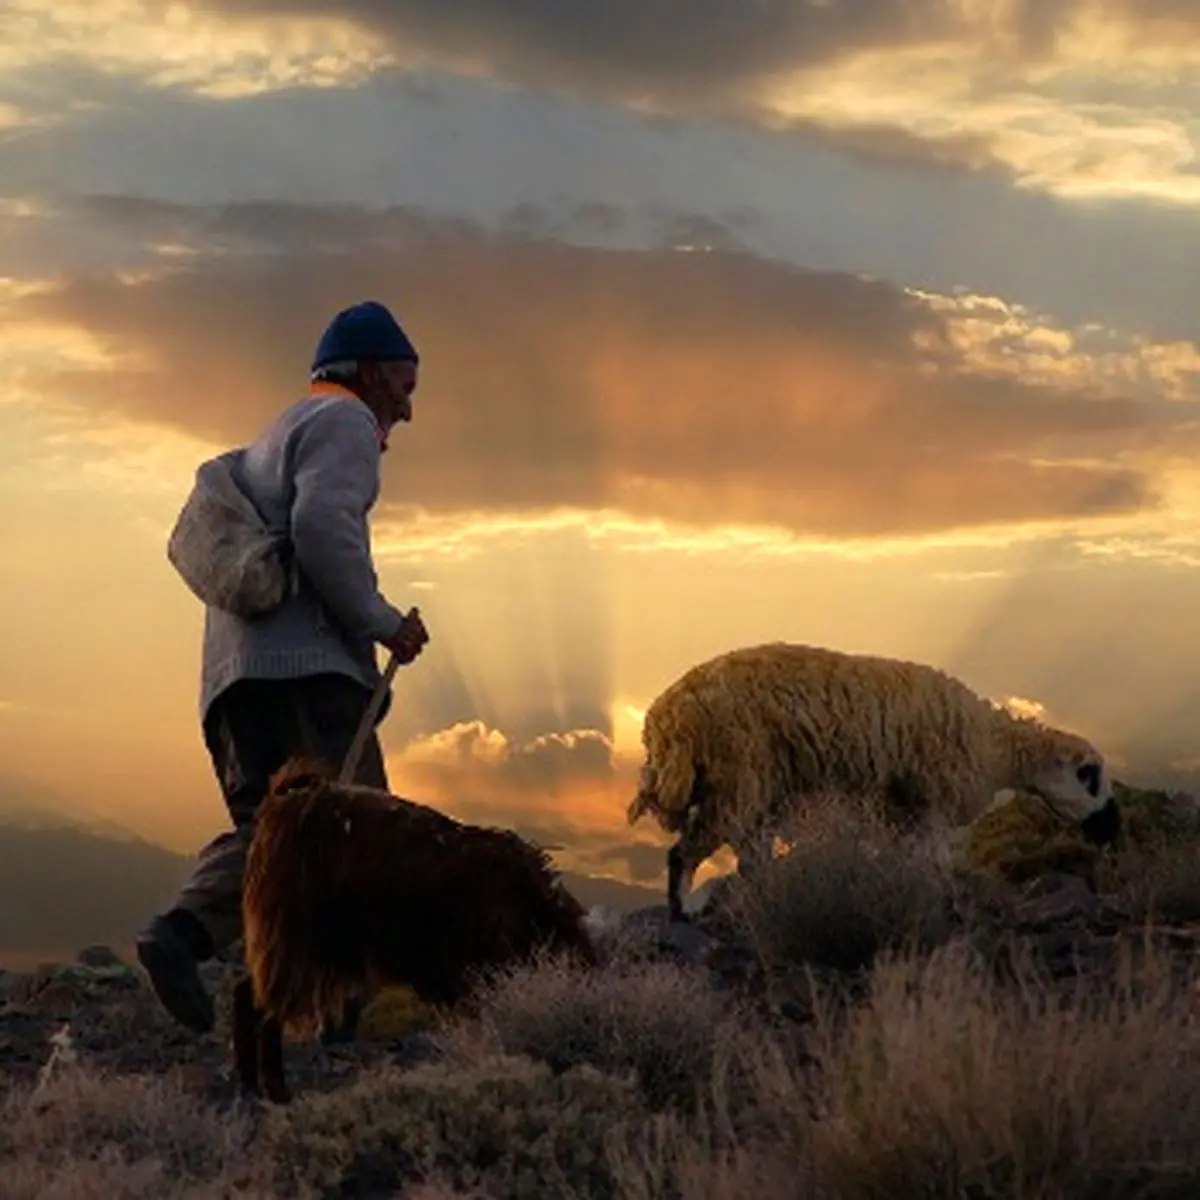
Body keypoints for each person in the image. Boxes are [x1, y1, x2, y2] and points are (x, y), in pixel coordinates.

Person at [137, 300, 430, 1035]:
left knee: (273, 838)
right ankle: (361, 1007)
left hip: (234, 679)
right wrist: (383, 621)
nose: (408, 405)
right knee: (359, 830)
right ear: (366, 372)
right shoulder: (343, 423)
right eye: (403, 382)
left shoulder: (273, 438)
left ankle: (186, 935)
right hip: (309, 673)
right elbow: (323, 527)